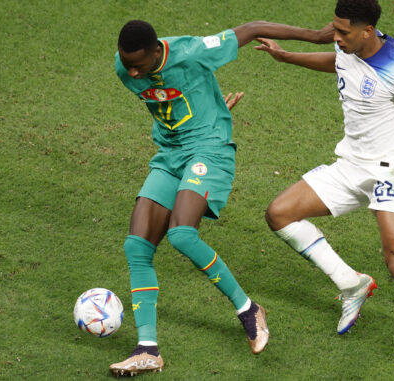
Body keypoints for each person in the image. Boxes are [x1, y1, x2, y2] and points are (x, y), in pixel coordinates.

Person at [255, 1, 394, 380]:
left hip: (392, 171)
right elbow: (337, 63)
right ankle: (350, 284)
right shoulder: (346, 48)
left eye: (342, 32)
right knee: (280, 213)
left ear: (368, 30)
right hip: (350, 165)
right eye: (333, 30)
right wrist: (286, 57)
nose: (333, 37)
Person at [110, 20, 333, 376]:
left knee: (182, 234)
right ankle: (147, 349)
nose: (132, 71)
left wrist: (317, 36)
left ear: (156, 52)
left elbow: (250, 28)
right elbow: (172, 99)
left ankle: (248, 309)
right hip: (170, 153)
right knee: (136, 247)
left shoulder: (190, 51)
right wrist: (208, 105)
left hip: (209, 151)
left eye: (140, 64)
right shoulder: (125, 68)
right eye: (126, 62)